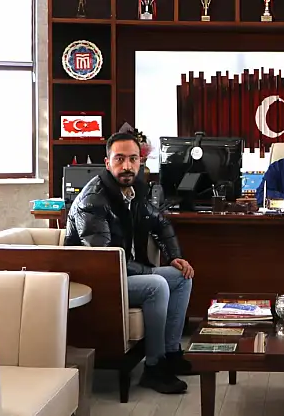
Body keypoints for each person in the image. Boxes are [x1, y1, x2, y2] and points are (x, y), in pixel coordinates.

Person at [64, 132, 196, 395]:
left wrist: (174, 256)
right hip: (95, 279)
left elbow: (161, 223)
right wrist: (151, 270)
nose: (127, 166)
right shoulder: (93, 200)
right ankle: (154, 367)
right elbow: (105, 260)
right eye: (119, 159)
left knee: (182, 276)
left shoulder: (133, 191)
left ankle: (171, 354)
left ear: (140, 161)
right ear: (107, 162)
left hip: (122, 271)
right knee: (156, 285)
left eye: (133, 159)